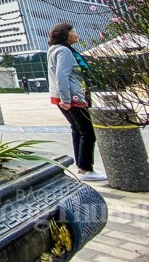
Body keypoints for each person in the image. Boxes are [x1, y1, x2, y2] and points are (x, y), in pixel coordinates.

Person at [47, 23, 107, 181]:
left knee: (78, 130)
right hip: (72, 97)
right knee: (87, 132)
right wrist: (66, 99)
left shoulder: (56, 50)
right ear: (64, 35)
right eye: (72, 31)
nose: (76, 34)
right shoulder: (64, 51)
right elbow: (62, 75)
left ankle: (82, 167)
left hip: (66, 96)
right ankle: (85, 169)